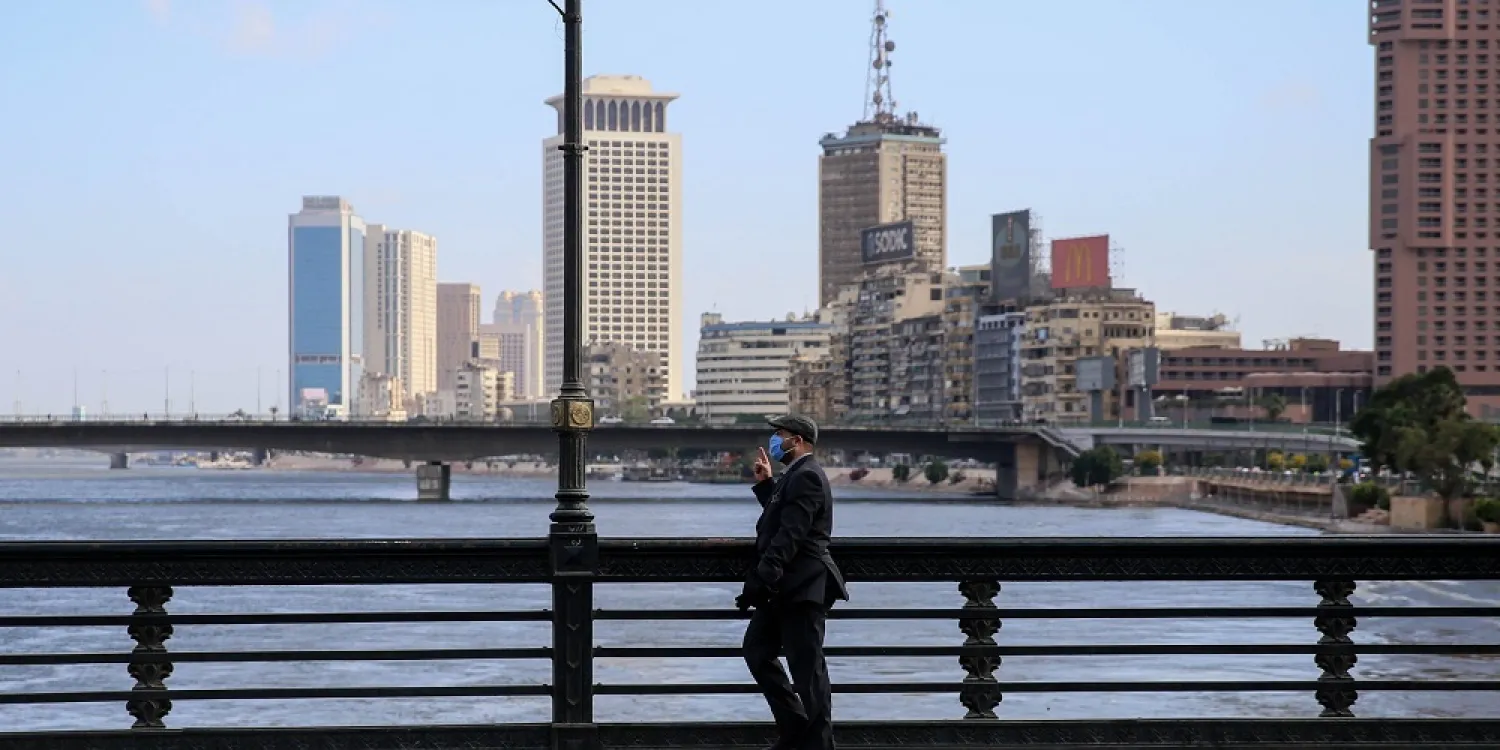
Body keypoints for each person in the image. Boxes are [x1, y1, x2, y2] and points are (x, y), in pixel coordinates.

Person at [737, 414, 848, 750]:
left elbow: (792, 534)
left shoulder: (808, 476)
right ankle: (796, 729)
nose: (775, 441)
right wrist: (767, 486)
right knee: (757, 651)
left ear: (797, 440)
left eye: (780, 435)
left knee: (808, 671)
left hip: (803, 586)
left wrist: (764, 575)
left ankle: (818, 744)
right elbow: (785, 518)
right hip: (785, 587)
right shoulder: (795, 475)